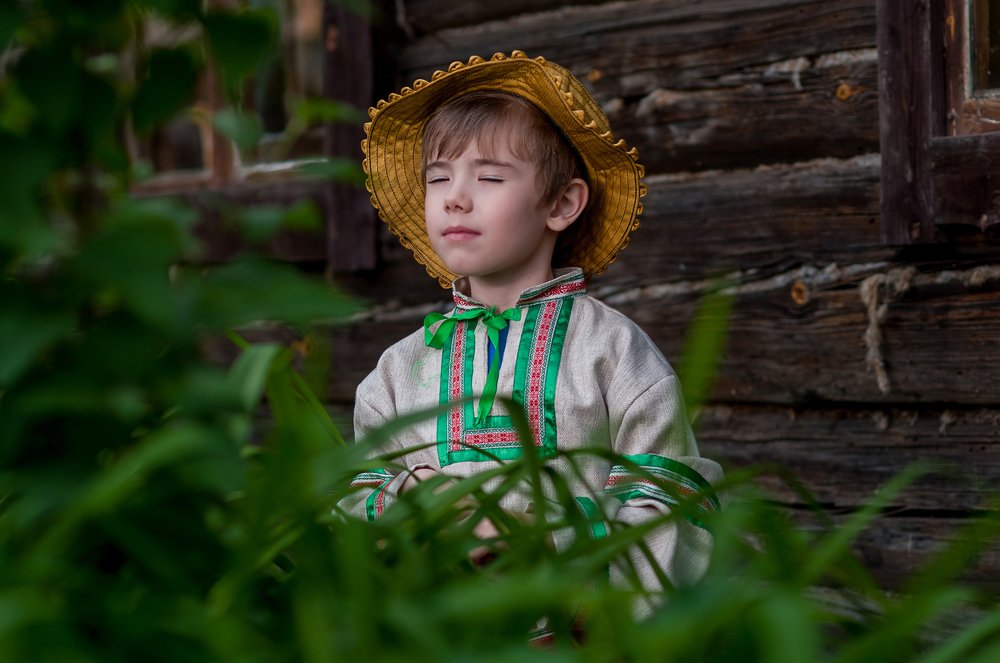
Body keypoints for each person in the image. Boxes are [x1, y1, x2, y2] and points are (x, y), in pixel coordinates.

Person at [340, 50, 723, 605]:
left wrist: (544, 540)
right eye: (437, 178)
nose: (455, 197)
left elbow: (674, 496)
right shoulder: (401, 369)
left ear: (563, 203)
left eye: (491, 176)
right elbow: (357, 502)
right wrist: (411, 494)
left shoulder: (612, 350)